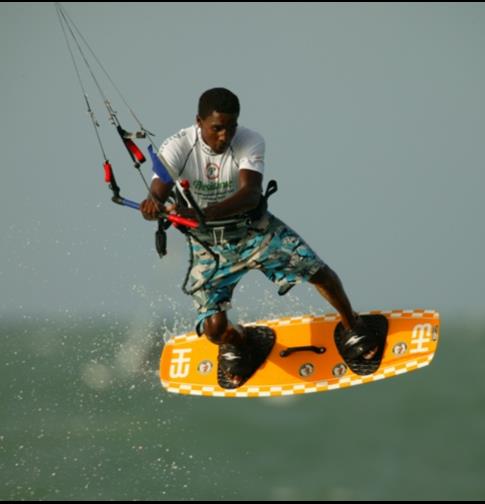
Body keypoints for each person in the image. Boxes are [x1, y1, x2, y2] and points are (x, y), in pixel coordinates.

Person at [140, 87, 377, 387]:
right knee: (214, 330)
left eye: (231, 127)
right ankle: (241, 342)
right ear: (198, 122)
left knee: (319, 273)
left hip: (255, 231)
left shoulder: (250, 140)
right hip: (210, 246)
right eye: (217, 128)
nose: (225, 136)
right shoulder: (176, 146)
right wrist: (153, 205)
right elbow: (158, 192)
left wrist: (205, 214)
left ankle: (352, 324)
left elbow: (251, 194)